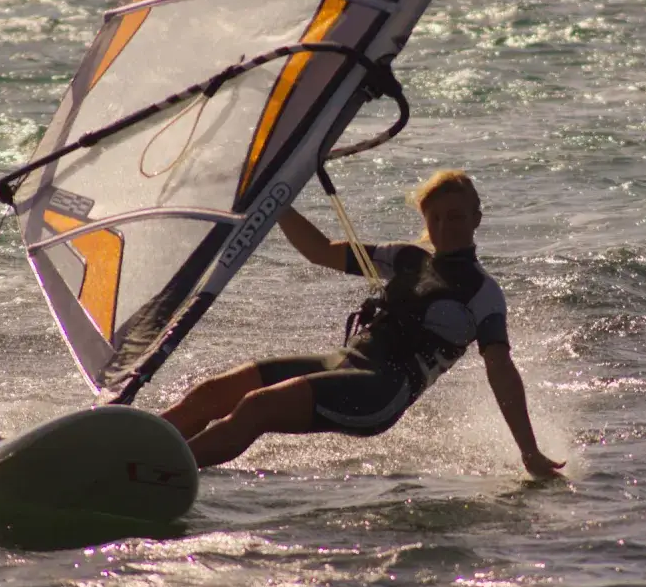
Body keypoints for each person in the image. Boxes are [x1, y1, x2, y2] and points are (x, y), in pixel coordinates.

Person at [160, 169, 565, 479]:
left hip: (380, 392)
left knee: (257, 407)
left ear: (477, 218)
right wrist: (278, 201)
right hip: (342, 364)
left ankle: (161, 473)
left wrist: (527, 450)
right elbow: (320, 251)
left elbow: (501, 371)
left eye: (456, 217)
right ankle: (134, 444)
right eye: (436, 218)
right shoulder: (405, 258)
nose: (445, 228)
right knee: (213, 393)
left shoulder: (482, 293)